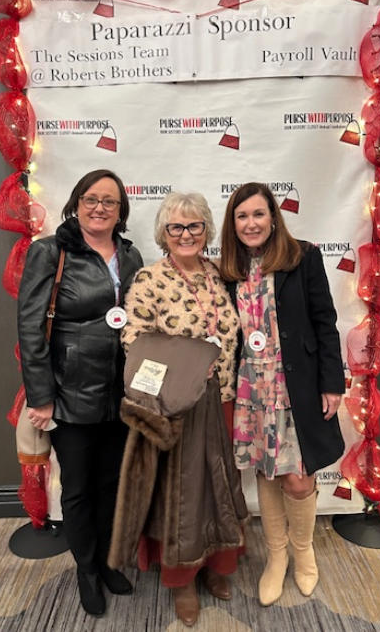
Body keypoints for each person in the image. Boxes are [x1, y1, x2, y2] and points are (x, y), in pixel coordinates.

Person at [109, 192, 248, 627]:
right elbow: (135, 341)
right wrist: (182, 370)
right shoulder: (149, 279)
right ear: (163, 233)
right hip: (178, 404)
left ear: (206, 230)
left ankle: (217, 565)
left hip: (222, 399)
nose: (186, 234)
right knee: (184, 497)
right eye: (176, 227)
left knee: (219, 487)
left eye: (194, 226)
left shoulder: (219, 274)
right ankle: (182, 580)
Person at [17, 169, 143, 616]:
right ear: (76, 203)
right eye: (91, 199)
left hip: (120, 392)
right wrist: (40, 396)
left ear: (121, 210)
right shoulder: (50, 251)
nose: (99, 208)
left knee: (111, 484)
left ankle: (108, 562)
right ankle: (86, 570)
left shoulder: (130, 255)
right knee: (77, 488)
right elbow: (30, 327)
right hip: (69, 391)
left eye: (110, 201)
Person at [220, 182, 345, 606]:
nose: (250, 223)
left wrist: (332, 382)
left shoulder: (303, 257)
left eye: (258, 214)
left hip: (296, 385)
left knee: (297, 478)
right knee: (266, 471)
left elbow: (325, 321)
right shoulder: (228, 269)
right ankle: (276, 557)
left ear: (273, 217)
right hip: (250, 387)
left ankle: (303, 552)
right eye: (242, 216)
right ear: (233, 224)